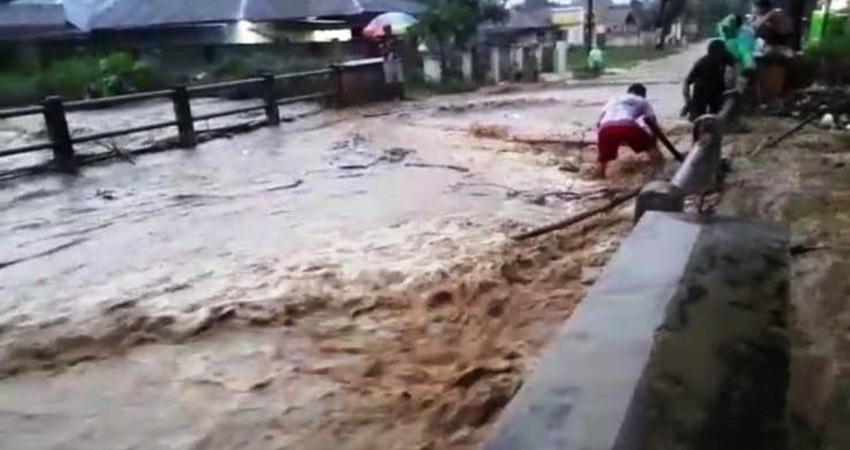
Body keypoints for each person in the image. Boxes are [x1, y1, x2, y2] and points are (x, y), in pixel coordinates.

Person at [593, 83, 665, 179]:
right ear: (643, 94)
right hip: (627, 124)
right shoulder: (643, 101)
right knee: (652, 149)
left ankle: (599, 178)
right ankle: (659, 174)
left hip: (605, 127)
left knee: (603, 159)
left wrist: (612, 139)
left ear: (628, 92)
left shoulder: (614, 99)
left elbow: (599, 122)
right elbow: (653, 124)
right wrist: (653, 143)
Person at [683, 40, 736, 122]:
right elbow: (687, 83)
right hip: (703, 92)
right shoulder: (702, 63)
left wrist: (689, 103)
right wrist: (689, 103)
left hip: (715, 91)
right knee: (699, 118)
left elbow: (687, 83)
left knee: (707, 118)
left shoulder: (722, 58)